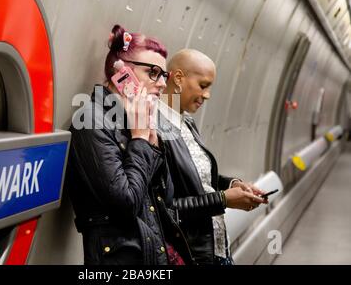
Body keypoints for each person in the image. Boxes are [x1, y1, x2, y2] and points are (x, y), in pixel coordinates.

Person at [66, 25, 193, 265]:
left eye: (163, 75)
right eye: (153, 72)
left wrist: (152, 143)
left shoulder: (138, 123)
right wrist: (140, 141)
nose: (162, 84)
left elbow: (165, 198)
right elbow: (126, 204)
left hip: (152, 254)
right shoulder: (90, 122)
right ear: (123, 73)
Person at [158, 49, 268, 265]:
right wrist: (224, 199)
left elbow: (197, 178)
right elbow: (166, 209)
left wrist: (235, 184)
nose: (207, 95)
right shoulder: (155, 130)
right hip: (191, 255)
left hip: (216, 248)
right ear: (178, 78)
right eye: (203, 85)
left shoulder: (186, 121)